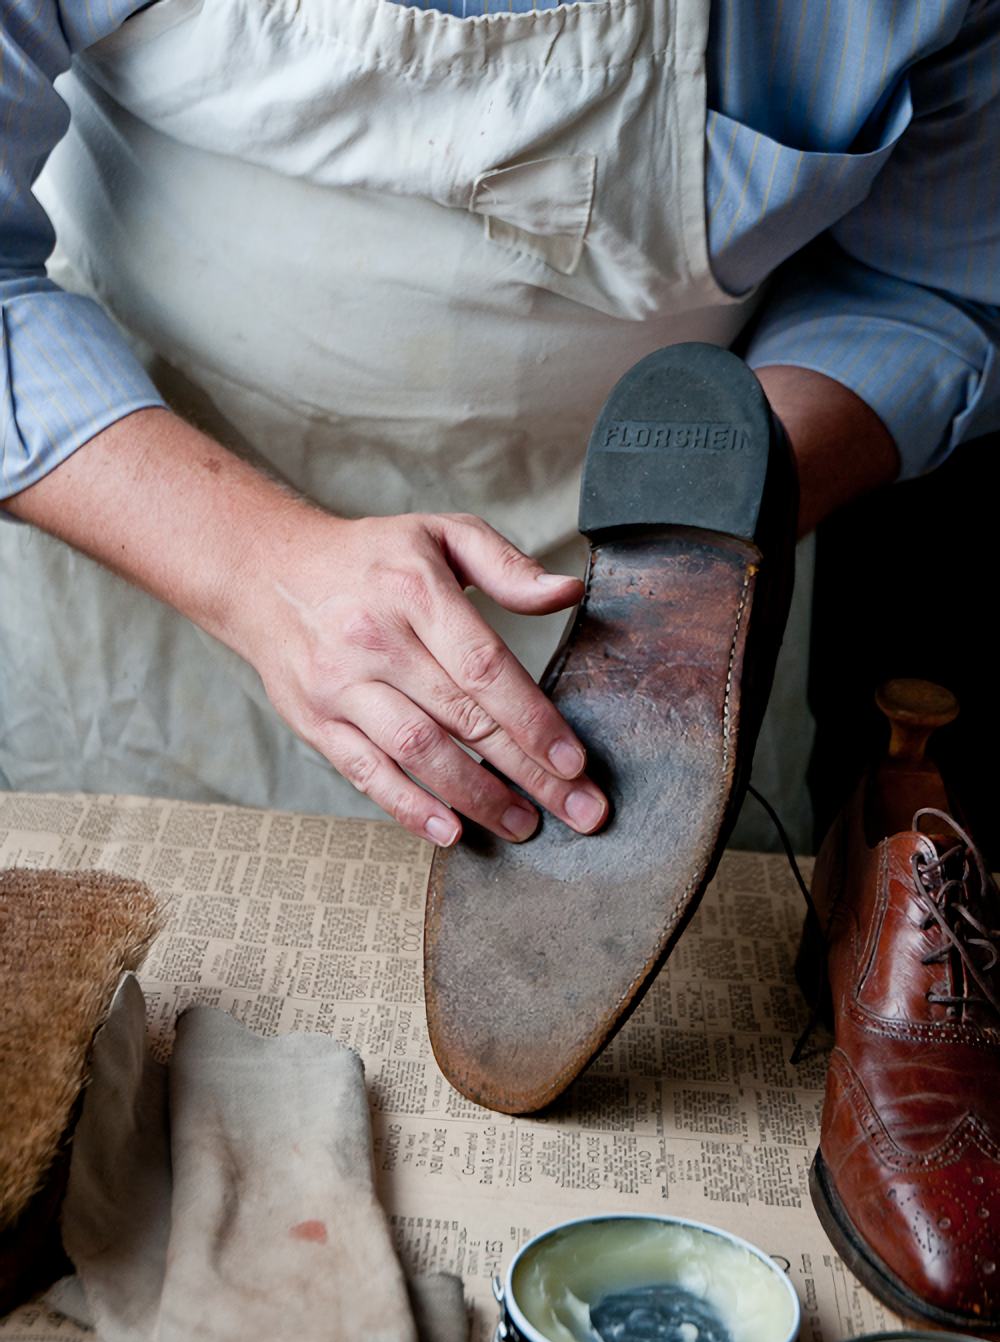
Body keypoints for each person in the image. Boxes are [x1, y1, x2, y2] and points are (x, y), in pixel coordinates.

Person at [1, 0, 997, 851]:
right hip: (156, 544)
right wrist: (254, 564)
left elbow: (921, 281)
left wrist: (705, 541)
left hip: (680, 619)